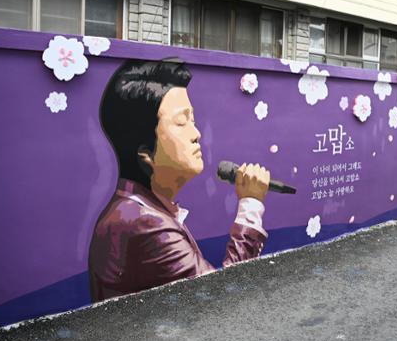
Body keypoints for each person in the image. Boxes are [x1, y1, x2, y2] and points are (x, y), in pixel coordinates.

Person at [88, 59, 271, 302]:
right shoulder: (145, 226)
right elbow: (222, 297)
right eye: (181, 122)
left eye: (192, 120)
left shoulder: (137, 210)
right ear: (146, 153)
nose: (196, 134)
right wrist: (251, 205)